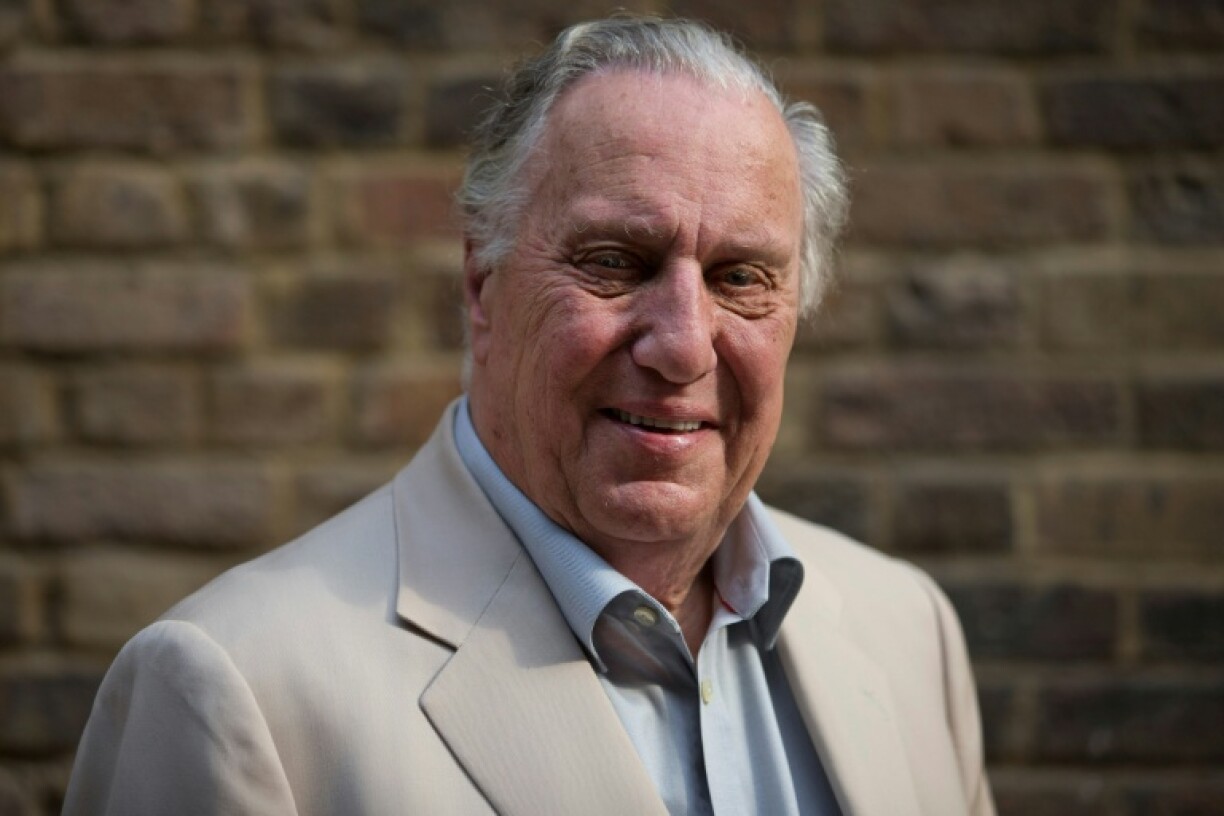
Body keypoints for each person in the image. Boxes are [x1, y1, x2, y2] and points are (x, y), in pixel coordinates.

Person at [64, 16, 994, 816]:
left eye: (740, 278)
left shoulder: (907, 630)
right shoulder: (236, 686)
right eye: (615, 262)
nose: (683, 346)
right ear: (483, 282)